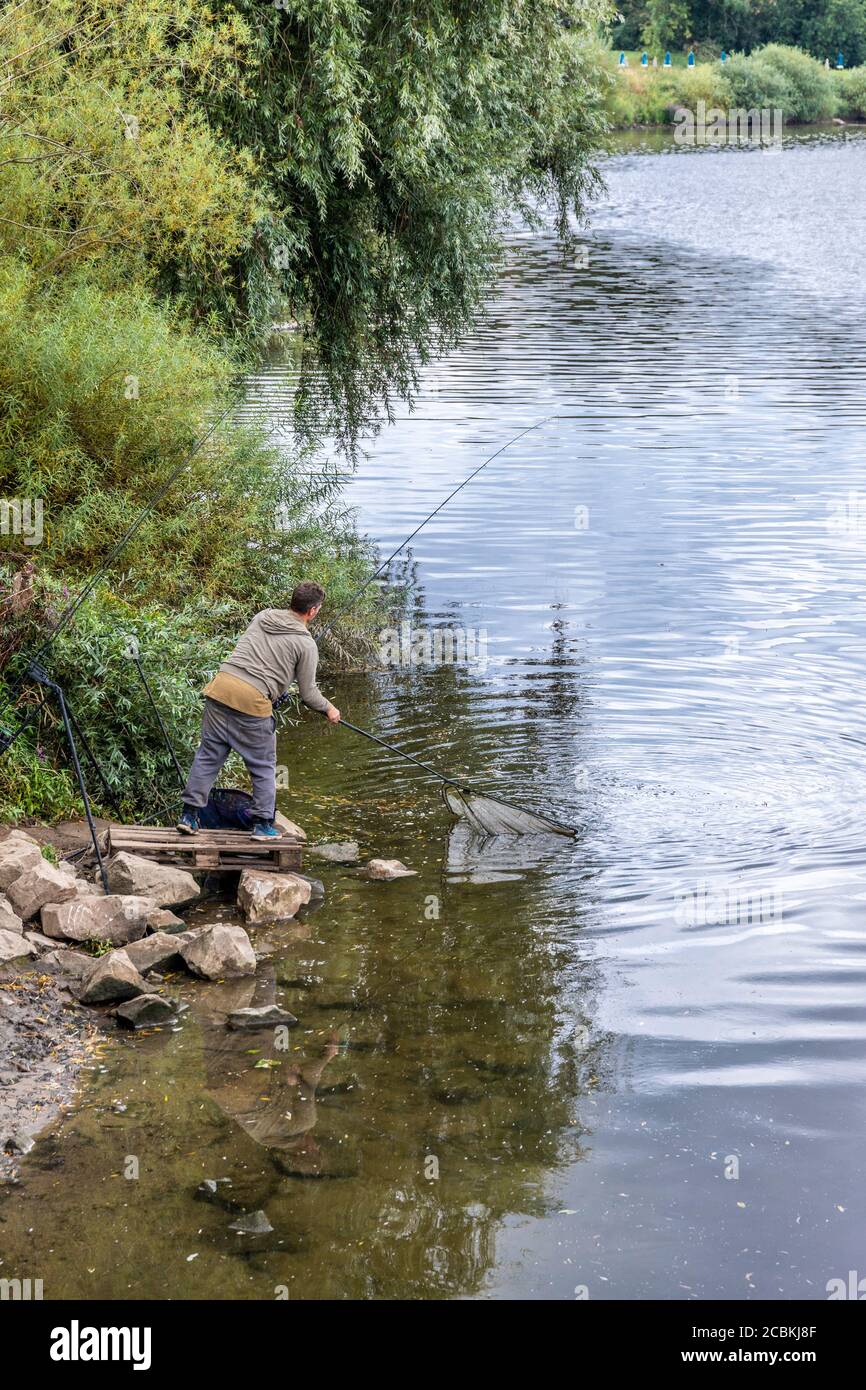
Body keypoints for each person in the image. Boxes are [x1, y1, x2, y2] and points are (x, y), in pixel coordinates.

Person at [176, 581, 340, 840]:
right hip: (251, 702)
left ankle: (189, 816)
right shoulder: (306, 645)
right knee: (264, 765)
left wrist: (276, 688)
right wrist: (329, 709)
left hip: (220, 688)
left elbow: (261, 658)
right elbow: (309, 694)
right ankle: (263, 825)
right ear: (314, 611)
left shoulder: (263, 617)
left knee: (208, 756)